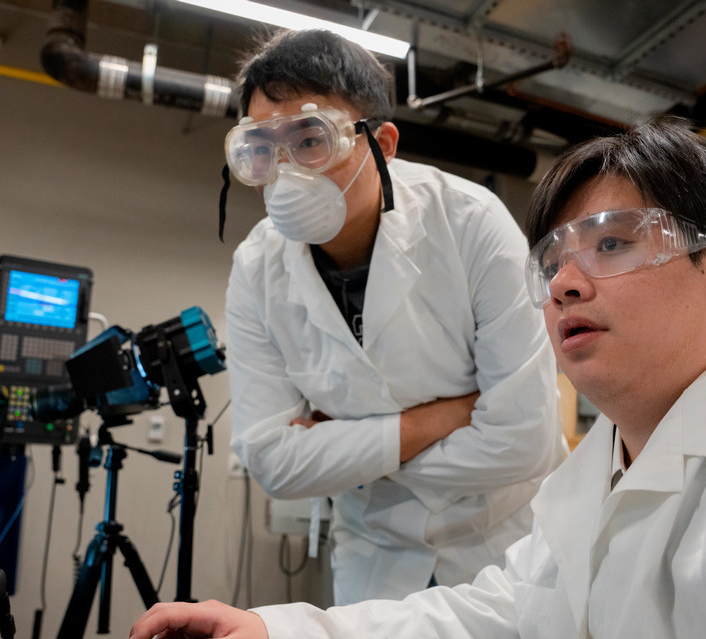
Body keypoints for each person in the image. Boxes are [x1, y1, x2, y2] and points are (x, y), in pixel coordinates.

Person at [128, 118, 706, 639]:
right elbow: (500, 623)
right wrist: (283, 638)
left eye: (612, 243)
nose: (565, 281)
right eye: (556, 258)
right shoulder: (591, 480)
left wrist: (347, 447)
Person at [221, 29, 565, 605]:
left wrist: (341, 450)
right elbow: (273, 463)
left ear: (381, 143)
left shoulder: (472, 224)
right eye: (261, 147)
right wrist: (442, 420)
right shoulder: (256, 267)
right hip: (375, 558)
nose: (284, 171)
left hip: (502, 549)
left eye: (310, 139)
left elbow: (521, 442)